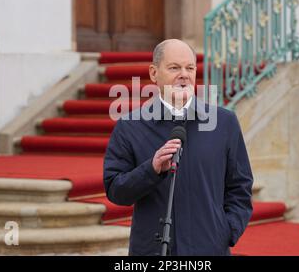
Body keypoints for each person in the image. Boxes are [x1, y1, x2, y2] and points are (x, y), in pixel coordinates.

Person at [103, 39, 253, 256]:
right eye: (174, 67)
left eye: (189, 68)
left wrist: (226, 231)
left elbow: (240, 186)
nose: (184, 74)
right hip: (153, 251)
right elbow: (116, 191)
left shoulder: (224, 123)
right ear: (154, 73)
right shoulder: (130, 127)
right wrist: (151, 170)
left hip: (209, 250)